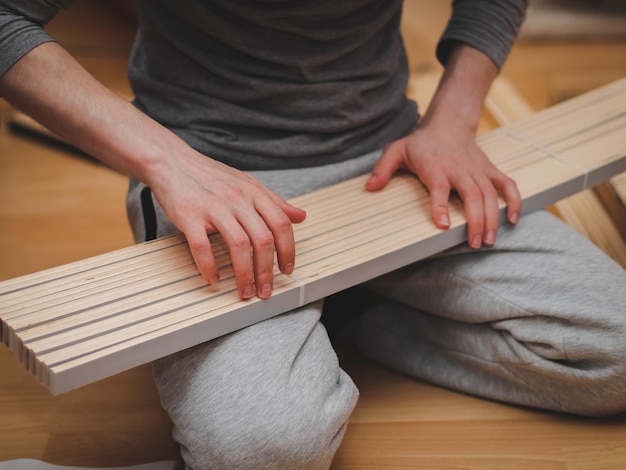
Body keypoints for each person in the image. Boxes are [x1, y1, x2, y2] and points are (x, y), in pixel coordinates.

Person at [1, 1, 625, 469]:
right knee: (261, 449)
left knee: (617, 355)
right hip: (217, 181)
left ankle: (354, 316)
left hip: (395, 164)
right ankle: (338, 317)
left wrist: (454, 121)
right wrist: (168, 163)